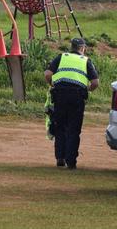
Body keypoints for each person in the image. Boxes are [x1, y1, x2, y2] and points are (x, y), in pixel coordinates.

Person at [44, 38, 99, 170]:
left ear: (72, 47)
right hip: (77, 97)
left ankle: (60, 158)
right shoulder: (86, 61)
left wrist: (52, 84)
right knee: (73, 129)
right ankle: (71, 161)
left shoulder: (61, 57)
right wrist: (88, 90)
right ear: (82, 48)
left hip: (60, 95)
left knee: (60, 126)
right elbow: (95, 82)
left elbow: (47, 74)